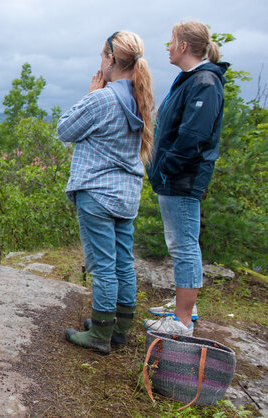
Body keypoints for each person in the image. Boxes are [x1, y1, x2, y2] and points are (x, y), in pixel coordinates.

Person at [58, 31, 154, 354]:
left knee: (102, 266)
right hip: (126, 196)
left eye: (102, 55)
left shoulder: (103, 98)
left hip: (97, 193)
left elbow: (64, 129)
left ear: (111, 59)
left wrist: (90, 94)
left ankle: (99, 335)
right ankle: (119, 328)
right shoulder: (140, 99)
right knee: (123, 263)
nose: (100, 61)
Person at [144, 20, 228, 336]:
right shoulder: (192, 79)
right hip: (176, 176)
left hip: (182, 177)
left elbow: (193, 134)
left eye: (171, 41)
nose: (167, 46)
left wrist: (166, 167)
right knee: (181, 243)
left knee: (183, 246)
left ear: (182, 46)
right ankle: (185, 308)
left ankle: (180, 321)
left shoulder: (204, 82)